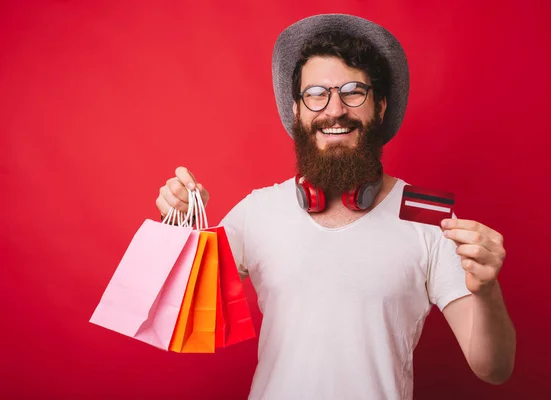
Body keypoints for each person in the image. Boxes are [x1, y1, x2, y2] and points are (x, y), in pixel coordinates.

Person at [155, 14, 516, 400]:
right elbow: (184, 319)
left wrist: (487, 290)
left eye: (353, 91)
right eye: (316, 94)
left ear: (379, 107)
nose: (334, 110)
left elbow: (494, 368)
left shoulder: (425, 212)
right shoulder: (257, 210)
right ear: (296, 111)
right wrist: (178, 228)